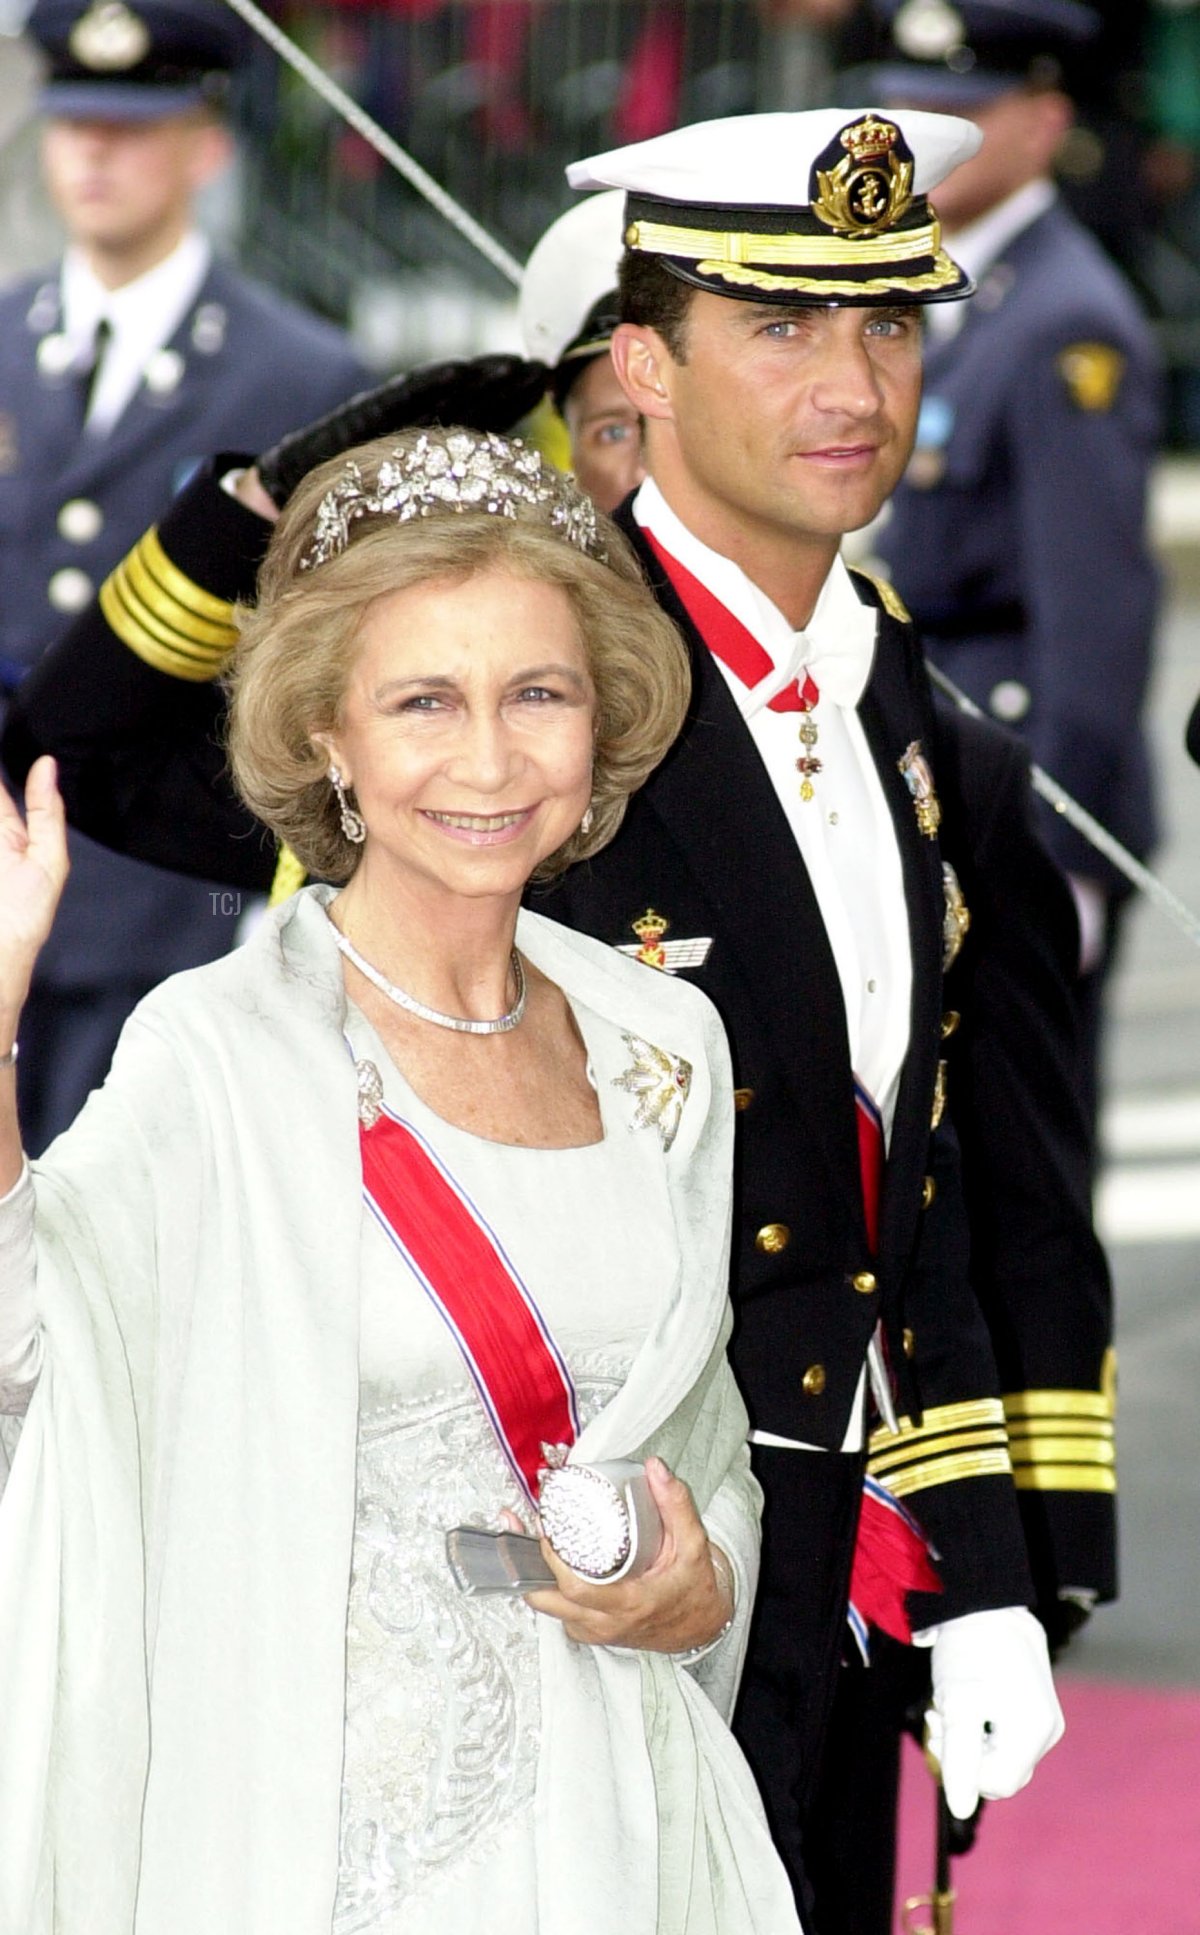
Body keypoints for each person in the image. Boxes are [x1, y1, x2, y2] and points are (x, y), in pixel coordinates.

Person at [1, 114, 1109, 1927]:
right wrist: (303, 496)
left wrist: (999, 1569)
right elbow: (96, 749)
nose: (854, 382)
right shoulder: (506, 679)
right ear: (639, 371)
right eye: (782, 327)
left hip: (785, 1572)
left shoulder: (924, 734)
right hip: (398, 1696)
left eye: (891, 326)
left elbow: (960, 1190)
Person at [0, 426, 802, 1935]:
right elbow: (30, 1358)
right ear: (328, 737)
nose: (491, 759)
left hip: (627, 1822)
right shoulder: (221, 1051)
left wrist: (699, 1589)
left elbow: (703, 1448)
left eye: (539, 693)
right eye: (423, 700)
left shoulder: (660, 1039)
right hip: (332, 1849)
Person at [0, 0, 367, 1153]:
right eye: (74, 125)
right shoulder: (3, 338)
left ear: (207, 145)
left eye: (134, 125)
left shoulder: (300, 372)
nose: (96, 153)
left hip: (158, 897)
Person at [855, 0, 1163, 1140]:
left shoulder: (1061, 322)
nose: (927, 138)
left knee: (1023, 1151)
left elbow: (1095, 610)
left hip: (1024, 780)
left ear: (1042, 123)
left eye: (961, 116)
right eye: (912, 110)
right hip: (952, 756)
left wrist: (1072, 851)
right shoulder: (966, 292)